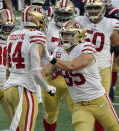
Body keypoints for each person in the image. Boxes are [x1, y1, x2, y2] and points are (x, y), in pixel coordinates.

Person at [44, 20, 119, 131]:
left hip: (99, 100)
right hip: (79, 105)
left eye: (69, 34)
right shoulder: (58, 51)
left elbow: (73, 66)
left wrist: (52, 59)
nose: (65, 37)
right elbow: (45, 71)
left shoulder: (86, 47)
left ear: (78, 35)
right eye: (63, 34)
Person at [4, 5, 56, 131]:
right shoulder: (37, 36)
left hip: (9, 88)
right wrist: (47, 87)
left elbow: (7, 66)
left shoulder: (13, 35)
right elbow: (35, 70)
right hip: (24, 88)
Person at [75, 0, 119, 130]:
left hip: (102, 69)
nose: (93, 11)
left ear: (103, 9)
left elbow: (116, 47)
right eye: (90, 8)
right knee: (84, 103)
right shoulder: (78, 21)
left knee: (102, 104)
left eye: (96, 8)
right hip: (83, 69)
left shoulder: (110, 23)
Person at [42, 0, 76, 131]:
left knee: (78, 111)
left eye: (65, 14)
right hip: (50, 77)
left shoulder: (77, 27)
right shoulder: (46, 27)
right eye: (59, 14)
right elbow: (36, 51)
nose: (62, 17)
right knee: (51, 114)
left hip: (70, 76)